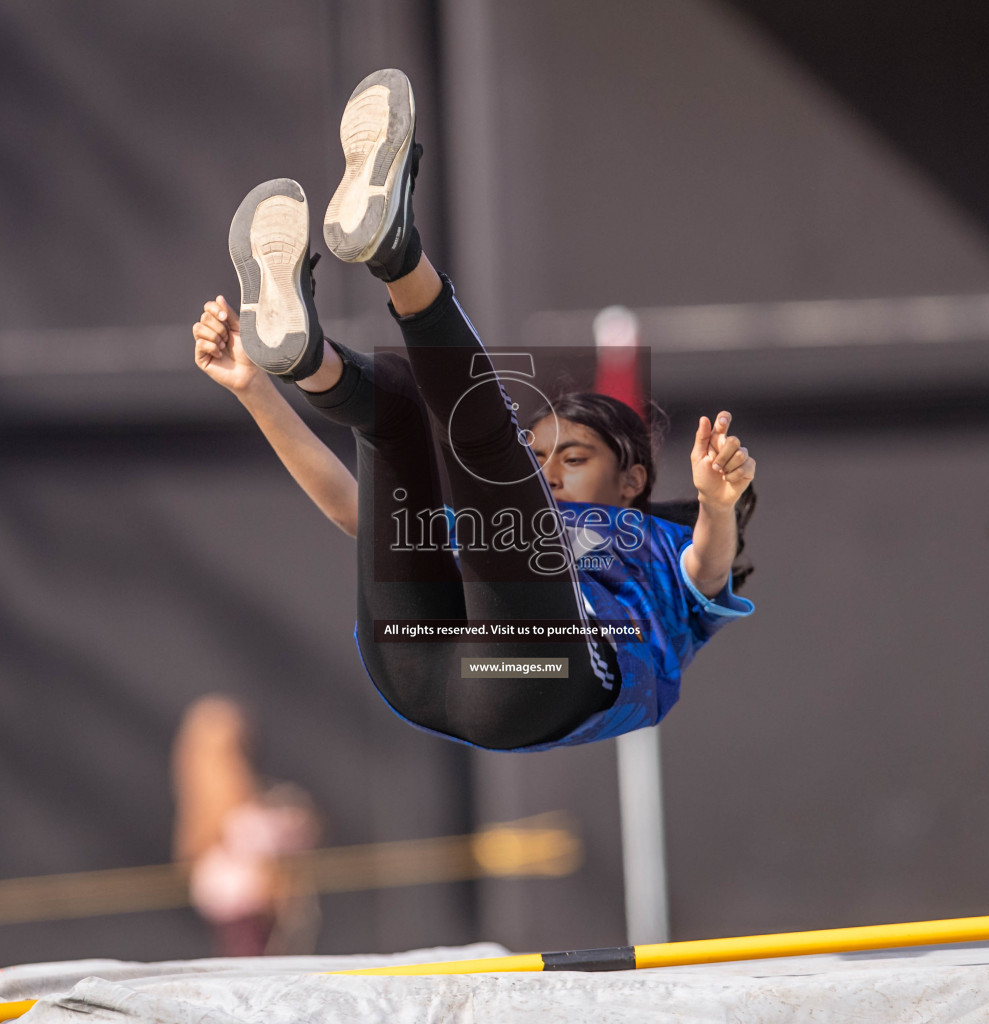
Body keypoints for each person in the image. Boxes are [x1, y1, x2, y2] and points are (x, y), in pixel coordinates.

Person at [191, 69, 755, 752]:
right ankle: (307, 360)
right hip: (418, 664)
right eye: (544, 455)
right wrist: (255, 385)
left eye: (571, 458)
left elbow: (709, 568)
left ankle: (396, 250)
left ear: (631, 481)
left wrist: (717, 504)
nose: (546, 470)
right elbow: (355, 511)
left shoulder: (660, 553)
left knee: (487, 454)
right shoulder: (499, 531)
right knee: (397, 405)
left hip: (530, 679)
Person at [172, 695, 321, 956]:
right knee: (254, 965)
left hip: (252, 899)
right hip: (244, 900)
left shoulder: (232, 788)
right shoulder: (218, 790)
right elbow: (248, 837)